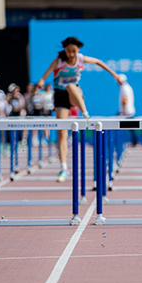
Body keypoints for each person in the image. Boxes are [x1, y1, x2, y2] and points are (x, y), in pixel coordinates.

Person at [35, 36, 124, 182]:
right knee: (62, 133)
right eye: (69, 51)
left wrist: (115, 75)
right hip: (60, 96)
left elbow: (99, 62)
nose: (71, 54)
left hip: (75, 95)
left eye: (74, 51)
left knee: (71, 86)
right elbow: (44, 77)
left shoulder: (81, 59)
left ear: (78, 50)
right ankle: (64, 168)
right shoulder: (59, 61)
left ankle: (86, 114)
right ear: (64, 49)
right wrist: (41, 82)